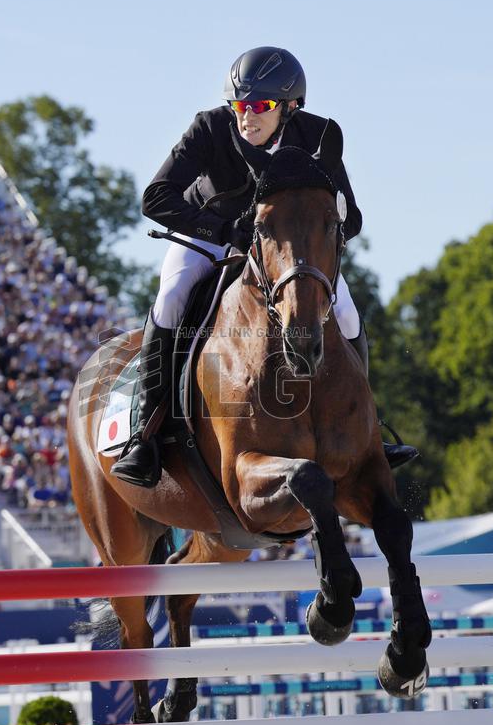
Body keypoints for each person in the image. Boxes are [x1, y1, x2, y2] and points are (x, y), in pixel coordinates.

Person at [112, 46, 416, 488]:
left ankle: (363, 430)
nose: (246, 116)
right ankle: (146, 434)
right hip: (210, 233)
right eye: (239, 105)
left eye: (260, 105)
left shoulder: (317, 136)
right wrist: (222, 230)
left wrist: (315, 235)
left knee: (346, 313)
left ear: (290, 107)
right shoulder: (209, 127)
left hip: (286, 250)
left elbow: (351, 218)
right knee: (172, 299)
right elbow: (155, 197)